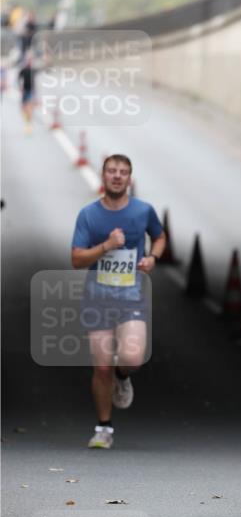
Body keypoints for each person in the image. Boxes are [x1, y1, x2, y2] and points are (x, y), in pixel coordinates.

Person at [71, 155, 165, 449]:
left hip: (131, 297)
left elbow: (160, 237)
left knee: (132, 358)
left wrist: (153, 257)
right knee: (101, 368)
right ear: (103, 176)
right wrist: (106, 246)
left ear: (129, 179)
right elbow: (77, 259)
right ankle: (104, 427)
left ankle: (122, 377)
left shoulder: (143, 210)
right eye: (112, 171)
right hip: (97, 299)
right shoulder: (89, 215)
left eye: (123, 172)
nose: (117, 176)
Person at [17, 54, 37, 133]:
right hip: (24, 91)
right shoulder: (23, 70)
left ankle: (29, 124)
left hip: (30, 91)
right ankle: (27, 122)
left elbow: (35, 82)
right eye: (28, 61)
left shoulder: (33, 70)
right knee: (23, 108)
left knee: (29, 107)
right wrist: (20, 87)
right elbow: (18, 79)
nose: (29, 62)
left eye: (30, 61)